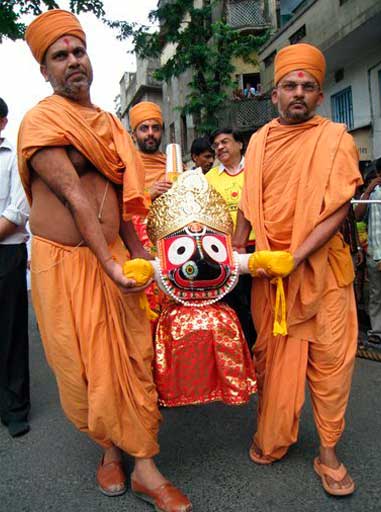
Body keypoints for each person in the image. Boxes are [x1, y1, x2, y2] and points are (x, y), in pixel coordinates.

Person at [18, 10, 191, 512]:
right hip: (64, 264)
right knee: (83, 370)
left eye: (78, 51)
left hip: (113, 256)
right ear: (44, 69)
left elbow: (120, 206)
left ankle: (145, 467)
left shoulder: (112, 126)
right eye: (60, 56)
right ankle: (108, 450)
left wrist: (138, 259)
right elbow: (74, 197)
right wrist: (110, 265)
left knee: (132, 361)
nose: (73, 62)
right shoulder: (42, 121)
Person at [233, 43, 362, 496]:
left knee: (330, 366)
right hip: (270, 276)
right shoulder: (260, 141)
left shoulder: (336, 141)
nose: (299, 93)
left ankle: (327, 453)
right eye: (290, 85)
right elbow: (248, 206)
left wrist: (298, 257)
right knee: (270, 360)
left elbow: (338, 207)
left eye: (308, 87)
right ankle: (274, 436)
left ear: (320, 96)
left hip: (323, 274)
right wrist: (234, 255)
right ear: (274, 94)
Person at [206, 128, 256, 349]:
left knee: (259, 302)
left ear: (240, 144)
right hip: (223, 252)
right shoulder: (209, 178)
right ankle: (243, 350)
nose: (220, 147)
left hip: (257, 247)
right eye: (216, 145)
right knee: (235, 303)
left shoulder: (256, 170)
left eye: (225, 142)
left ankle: (264, 349)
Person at [0, 97, 30, 438]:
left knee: (9, 332)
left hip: (7, 252)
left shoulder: (13, 157)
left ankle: (15, 408)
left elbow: (16, 212)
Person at [129, 101, 171, 324]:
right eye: (144, 128)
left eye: (156, 127)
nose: (151, 133)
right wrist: (148, 194)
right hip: (136, 253)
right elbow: (118, 207)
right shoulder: (125, 167)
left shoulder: (173, 167)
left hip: (170, 254)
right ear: (133, 133)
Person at [355, 155, 381, 345]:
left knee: (377, 295)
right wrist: (369, 190)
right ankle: (378, 331)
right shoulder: (374, 194)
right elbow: (357, 217)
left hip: (376, 254)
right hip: (376, 254)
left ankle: (378, 332)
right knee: (377, 295)